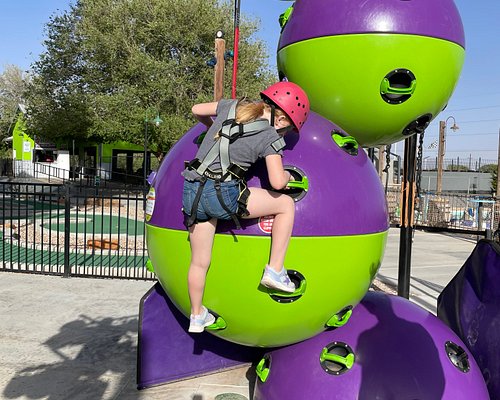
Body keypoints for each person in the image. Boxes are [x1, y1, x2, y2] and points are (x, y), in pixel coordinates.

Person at [182, 81, 310, 333]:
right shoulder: (270, 136)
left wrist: (215, 132)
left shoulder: (232, 106)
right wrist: (288, 178)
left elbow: (196, 109)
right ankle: (274, 270)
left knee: (199, 262)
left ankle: (196, 315)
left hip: (191, 190)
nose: (284, 134)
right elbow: (276, 181)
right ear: (283, 120)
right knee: (285, 204)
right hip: (224, 196)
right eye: (288, 130)